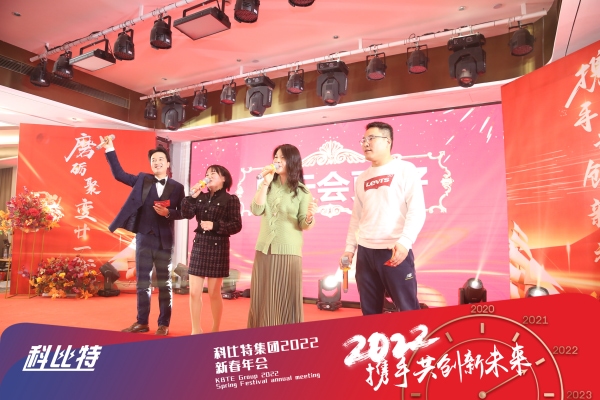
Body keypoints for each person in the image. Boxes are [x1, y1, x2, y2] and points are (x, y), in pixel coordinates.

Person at [101, 136, 185, 336]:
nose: (157, 162)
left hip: (164, 242)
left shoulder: (177, 187)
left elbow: (183, 212)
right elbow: (119, 174)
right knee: (142, 283)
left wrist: (169, 213)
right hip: (144, 238)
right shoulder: (142, 180)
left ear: (168, 164)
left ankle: (163, 324)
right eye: (154, 160)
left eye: (161, 159)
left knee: (164, 284)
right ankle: (141, 322)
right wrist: (110, 148)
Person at [340, 121, 426, 315]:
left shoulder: (405, 169)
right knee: (370, 311)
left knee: (408, 309)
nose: (365, 143)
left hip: (393, 251)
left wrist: (405, 242)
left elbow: (417, 210)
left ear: (387, 141)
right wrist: (349, 249)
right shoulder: (362, 178)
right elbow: (357, 217)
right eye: (363, 140)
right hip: (365, 252)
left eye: (371, 138)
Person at [248, 144, 318, 328]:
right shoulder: (268, 185)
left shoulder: (302, 191)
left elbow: (304, 224)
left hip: (288, 253)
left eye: (282, 157)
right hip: (263, 250)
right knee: (261, 296)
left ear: (293, 161)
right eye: (275, 157)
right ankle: (261, 334)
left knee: (284, 300)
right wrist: (265, 183)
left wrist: (309, 217)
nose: (277, 161)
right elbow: (256, 210)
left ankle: (285, 335)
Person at [181, 165, 242, 334]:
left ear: (224, 178)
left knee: (214, 293)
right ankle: (195, 330)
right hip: (200, 245)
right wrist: (191, 196)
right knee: (194, 292)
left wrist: (214, 225)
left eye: (213, 173)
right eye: (207, 174)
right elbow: (186, 214)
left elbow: (236, 225)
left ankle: (215, 329)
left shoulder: (231, 199)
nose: (209, 176)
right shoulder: (200, 197)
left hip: (218, 247)